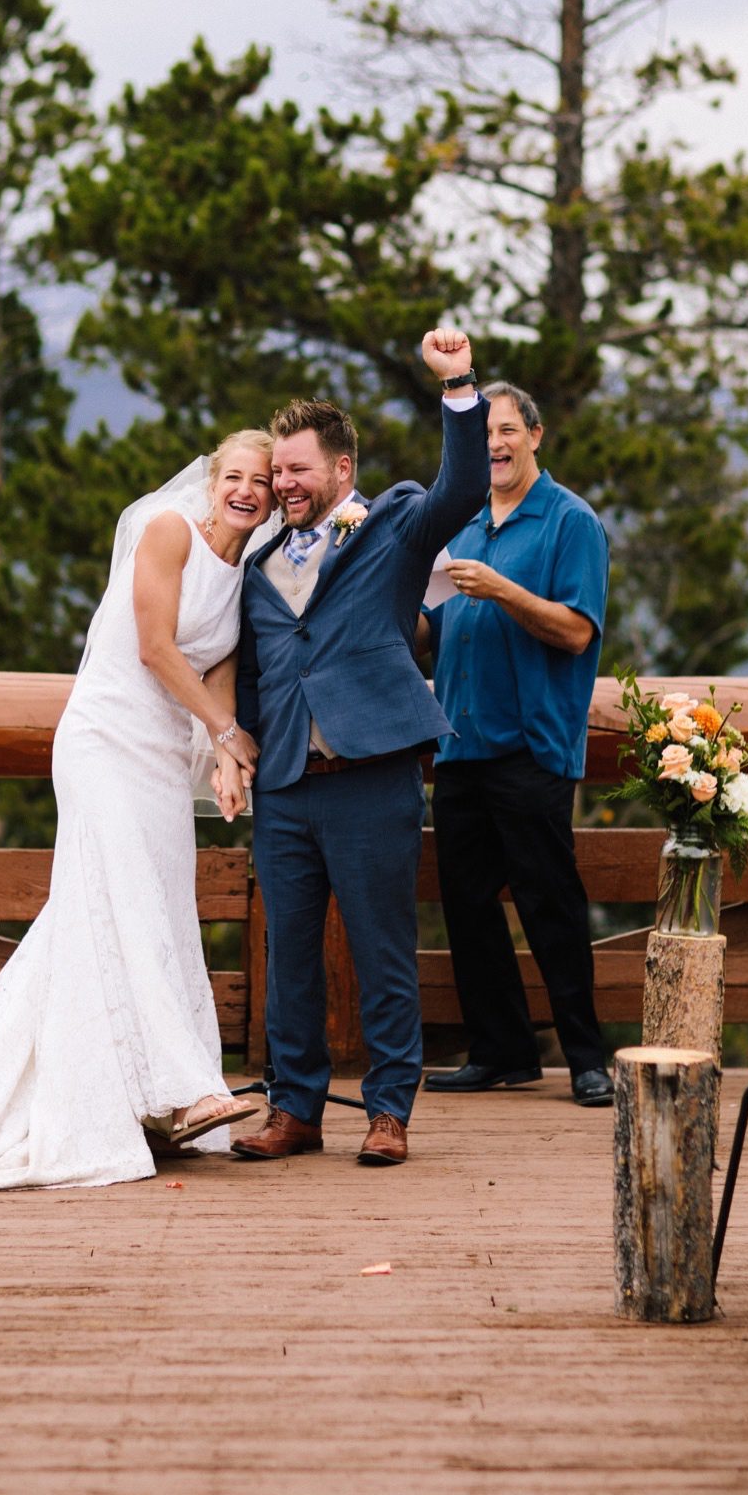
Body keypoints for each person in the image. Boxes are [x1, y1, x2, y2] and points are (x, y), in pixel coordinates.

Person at [0, 434, 278, 1191]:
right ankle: (182, 1089)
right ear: (211, 480)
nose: (246, 490)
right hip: (103, 741)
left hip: (159, 756)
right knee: (125, 899)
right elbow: (156, 647)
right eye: (234, 477)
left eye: (260, 481)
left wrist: (223, 758)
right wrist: (225, 732)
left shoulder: (242, 568)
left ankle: (144, 1095)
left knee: (139, 905)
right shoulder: (168, 532)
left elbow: (216, 666)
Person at [222, 329, 490, 1167]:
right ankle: (294, 1109)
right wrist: (235, 755)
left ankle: (388, 1111)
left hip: (373, 774)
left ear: (341, 469)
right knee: (288, 958)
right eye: (278, 472)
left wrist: (458, 389)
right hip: (288, 782)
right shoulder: (256, 562)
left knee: (383, 949)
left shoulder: (396, 525)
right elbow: (249, 672)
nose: (285, 485)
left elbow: (466, 486)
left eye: (299, 470)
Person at [416, 383, 613, 1107]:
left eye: (505, 430)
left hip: (531, 744)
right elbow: (432, 633)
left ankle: (588, 1057)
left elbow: (576, 630)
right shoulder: (462, 521)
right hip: (460, 742)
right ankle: (502, 1050)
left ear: (535, 434)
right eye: (484, 435)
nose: (493, 444)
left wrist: (501, 589)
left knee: (548, 902)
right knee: (466, 906)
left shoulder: (570, 521)